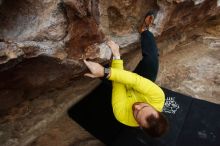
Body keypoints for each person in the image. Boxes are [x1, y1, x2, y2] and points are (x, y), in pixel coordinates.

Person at [83, 40, 168, 138]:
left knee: (104, 74)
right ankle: (145, 30)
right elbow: (135, 80)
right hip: (140, 80)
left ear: (139, 126)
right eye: (144, 107)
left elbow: (118, 85)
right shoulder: (158, 97)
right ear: (157, 109)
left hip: (122, 87)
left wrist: (115, 59)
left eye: (136, 114)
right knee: (151, 59)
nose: (136, 107)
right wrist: (107, 68)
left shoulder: (122, 116)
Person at [134, 11, 159, 82]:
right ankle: (144, 31)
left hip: (132, 86)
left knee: (151, 59)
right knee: (152, 60)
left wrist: (105, 71)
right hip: (146, 86)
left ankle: (144, 31)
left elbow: (116, 75)